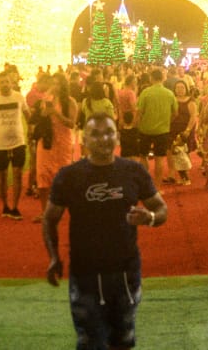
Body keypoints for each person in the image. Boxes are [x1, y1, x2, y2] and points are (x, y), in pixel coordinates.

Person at [43, 114, 168, 350]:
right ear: (84, 141)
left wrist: (149, 218)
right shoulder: (69, 176)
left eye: (109, 132)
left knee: (123, 341)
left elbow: (161, 209)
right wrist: (53, 256)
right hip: (85, 274)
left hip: (125, 273)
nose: (104, 139)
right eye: (96, 134)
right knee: (91, 342)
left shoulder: (133, 171)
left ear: (118, 136)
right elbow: (50, 219)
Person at [0, 70, 30, 219]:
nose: (5, 85)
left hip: (18, 142)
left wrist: (31, 132)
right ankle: (5, 206)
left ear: (12, 83)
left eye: (7, 81)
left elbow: (28, 115)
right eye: (2, 82)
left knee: (17, 175)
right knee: (1, 177)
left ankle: (15, 207)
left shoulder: (19, 97)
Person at [34, 75, 79, 223]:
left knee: (62, 177)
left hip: (63, 142)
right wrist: (44, 112)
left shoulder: (70, 102)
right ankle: (45, 212)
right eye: (53, 84)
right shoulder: (47, 99)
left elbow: (71, 123)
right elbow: (40, 117)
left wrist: (56, 113)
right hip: (46, 141)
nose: (56, 86)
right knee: (42, 175)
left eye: (58, 84)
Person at [135, 68, 178, 188]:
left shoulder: (145, 92)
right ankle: (157, 187)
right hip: (163, 130)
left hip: (145, 129)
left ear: (151, 78)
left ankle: (145, 184)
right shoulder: (169, 93)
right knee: (159, 159)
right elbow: (175, 113)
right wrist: (168, 121)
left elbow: (139, 111)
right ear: (163, 78)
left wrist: (136, 125)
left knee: (143, 156)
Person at [165, 79, 197, 184]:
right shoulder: (172, 99)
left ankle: (185, 176)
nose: (180, 90)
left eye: (182, 87)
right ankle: (175, 175)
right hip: (172, 129)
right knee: (173, 152)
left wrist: (188, 130)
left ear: (186, 88)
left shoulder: (190, 100)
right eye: (177, 88)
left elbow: (193, 116)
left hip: (185, 130)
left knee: (183, 153)